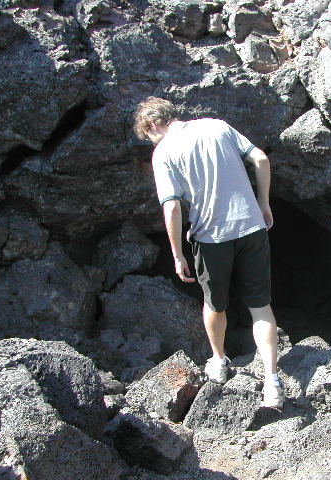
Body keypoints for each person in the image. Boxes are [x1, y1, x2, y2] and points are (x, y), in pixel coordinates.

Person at [133, 97, 285, 408]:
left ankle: (218, 361)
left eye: (148, 136)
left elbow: (172, 206)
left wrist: (177, 253)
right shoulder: (217, 126)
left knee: (215, 304)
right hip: (251, 228)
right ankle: (272, 381)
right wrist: (264, 203)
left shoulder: (163, 152)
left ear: (153, 125)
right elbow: (261, 159)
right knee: (261, 306)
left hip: (212, 237)